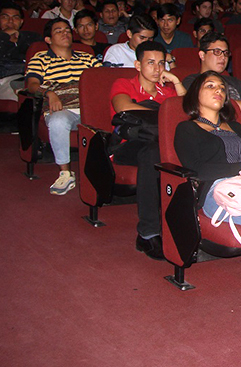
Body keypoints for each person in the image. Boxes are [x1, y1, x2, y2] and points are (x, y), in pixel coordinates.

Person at [175, 71, 241, 318]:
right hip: (217, 193)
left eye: (222, 88)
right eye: (210, 86)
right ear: (195, 95)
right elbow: (197, 169)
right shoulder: (186, 129)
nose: (218, 91)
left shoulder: (234, 126)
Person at [109, 40, 186, 260]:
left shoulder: (168, 91)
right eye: (150, 62)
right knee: (152, 152)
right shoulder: (124, 84)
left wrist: (177, 82)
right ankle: (148, 233)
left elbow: (189, 112)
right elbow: (123, 107)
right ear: (137, 65)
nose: (157, 68)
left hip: (160, 144)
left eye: (161, 63)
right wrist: (163, 113)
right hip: (126, 147)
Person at [25, 18, 102, 195]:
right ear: (48, 39)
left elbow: (102, 79)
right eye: (58, 31)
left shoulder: (87, 58)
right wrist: (49, 93)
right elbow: (31, 84)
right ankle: (66, 173)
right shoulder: (41, 59)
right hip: (63, 108)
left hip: (89, 108)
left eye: (67, 30)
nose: (65, 33)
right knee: (58, 120)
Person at [181, 31, 241, 116]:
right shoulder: (192, 80)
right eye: (217, 52)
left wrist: (220, 102)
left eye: (226, 53)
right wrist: (240, 106)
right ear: (202, 55)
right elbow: (201, 106)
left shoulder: (235, 81)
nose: (223, 57)